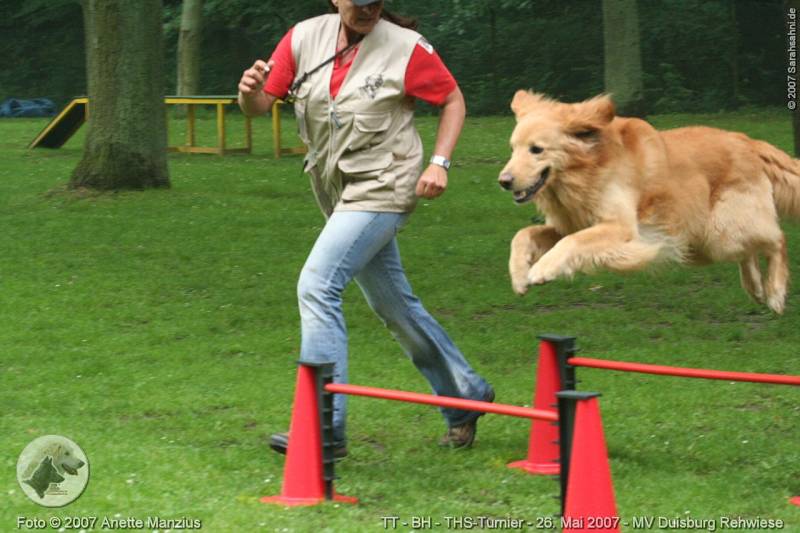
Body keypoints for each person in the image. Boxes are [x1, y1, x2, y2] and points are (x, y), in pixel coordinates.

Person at [238, 0, 494, 457]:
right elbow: (258, 106)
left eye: (376, 2)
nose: (368, 10)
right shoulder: (303, 38)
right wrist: (248, 91)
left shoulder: (407, 48)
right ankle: (465, 393)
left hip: (386, 185)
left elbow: (453, 100)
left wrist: (440, 162)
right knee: (393, 304)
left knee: (317, 285)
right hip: (339, 191)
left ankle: (324, 426)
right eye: (359, 3)